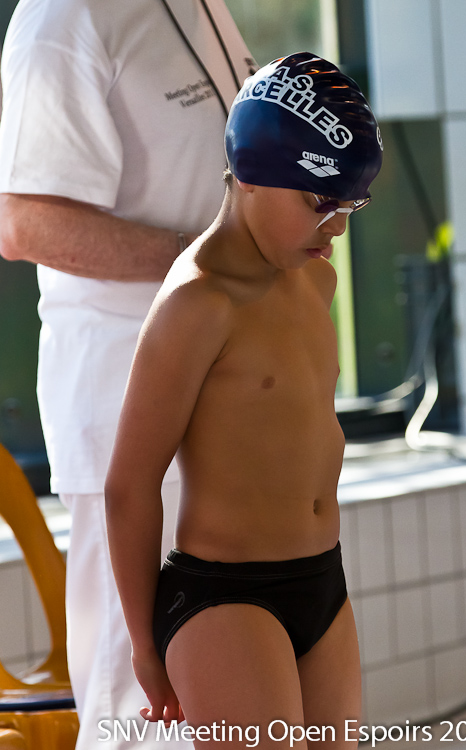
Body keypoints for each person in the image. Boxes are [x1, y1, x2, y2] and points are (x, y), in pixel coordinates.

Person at [105, 52, 383, 748]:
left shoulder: (316, 284)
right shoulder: (197, 303)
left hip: (322, 580)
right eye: (320, 203)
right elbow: (129, 485)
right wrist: (144, 645)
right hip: (224, 596)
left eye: (350, 205)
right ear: (254, 175)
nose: (337, 228)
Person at [0, 0, 255, 747]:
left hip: (230, 384)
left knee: (223, 696)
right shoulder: (65, 20)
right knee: (139, 709)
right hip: (129, 398)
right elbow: (26, 223)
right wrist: (213, 261)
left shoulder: (203, 7)